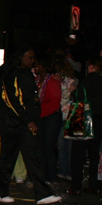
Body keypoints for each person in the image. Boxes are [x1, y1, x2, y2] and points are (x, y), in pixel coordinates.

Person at [0, 46, 61, 205]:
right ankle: (0, 192)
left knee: (33, 156)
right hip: (13, 123)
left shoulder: (26, 73)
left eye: (33, 58)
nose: (32, 61)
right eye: (29, 58)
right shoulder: (12, 73)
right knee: (8, 158)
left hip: (23, 123)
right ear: (20, 57)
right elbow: (12, 101)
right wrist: (27, 120)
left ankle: (42, 194)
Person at [72, 56, 102, 194]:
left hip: (85, 116)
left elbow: (79, 96)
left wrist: (73, 90)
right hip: (99, 117)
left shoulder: (89, 79)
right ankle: (93, 184)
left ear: (93, 66)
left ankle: (76, 186)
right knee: (94, 153)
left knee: (78, 152)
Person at [35, 55, 62, 183]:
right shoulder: (37, 80)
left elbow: (55, 103)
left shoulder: (52, 81)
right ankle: (42, 176)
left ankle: (50, 177)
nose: (35, 66)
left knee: (48, 148)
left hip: (50, 117)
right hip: (41, 117)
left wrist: (38, 112)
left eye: (38, 64)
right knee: (40, 148)